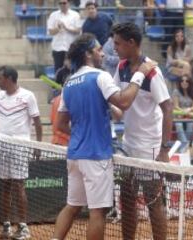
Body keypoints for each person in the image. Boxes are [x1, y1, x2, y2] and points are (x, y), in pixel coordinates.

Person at [52, 33, 156, 240]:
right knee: (98, 212)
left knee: (72, 206)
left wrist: (83, 133)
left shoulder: (69, 82)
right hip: (96, 155)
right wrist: (140, 74)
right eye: (98, 49)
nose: (102, 53)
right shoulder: (101, 76)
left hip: (75, 155)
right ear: (88, 54)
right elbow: (124, 102)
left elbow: (60, 124)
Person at [112, 22, 173, 240]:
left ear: (131, 43)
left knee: (153, 204)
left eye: (118, 44)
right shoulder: (120, 68)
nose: (114, 48)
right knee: (127, 202)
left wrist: (165, 149)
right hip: (128, 145)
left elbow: (168, 108)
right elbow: (118, 105)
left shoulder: (153, 72)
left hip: (151, 147)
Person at [0, 66, 42, 240]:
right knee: (4, 185)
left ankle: (23, 227)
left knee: (18, 185)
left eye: (0, 78)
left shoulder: (28, 96)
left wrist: (38, 145)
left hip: (20, 145)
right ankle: (6, 226)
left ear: (10, 79)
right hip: (1, 144)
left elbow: (37, 122)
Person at [47, 0, 81, 72]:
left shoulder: (75, 15)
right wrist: (58, 28)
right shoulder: (53, 15)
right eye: (60, 3)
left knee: (71, 71)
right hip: (57, 47)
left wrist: (66, 28)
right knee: (58, 71)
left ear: (69, 3)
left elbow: (78, 31)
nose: (62, 5)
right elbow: (50, 32)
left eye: (64, 3)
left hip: (70, 48)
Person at [173, 75, 193, 144]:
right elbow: (176, 106)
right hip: (179, 115)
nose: (184, 82)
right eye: (182, 81)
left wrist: (189, 110)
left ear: (189, 83)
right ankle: (185, 144)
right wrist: (183, 112)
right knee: (179, 125)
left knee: (190, 124)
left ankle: (184, 145)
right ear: (180, 83)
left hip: (189, 115)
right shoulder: (176, 92)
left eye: (186, 81)